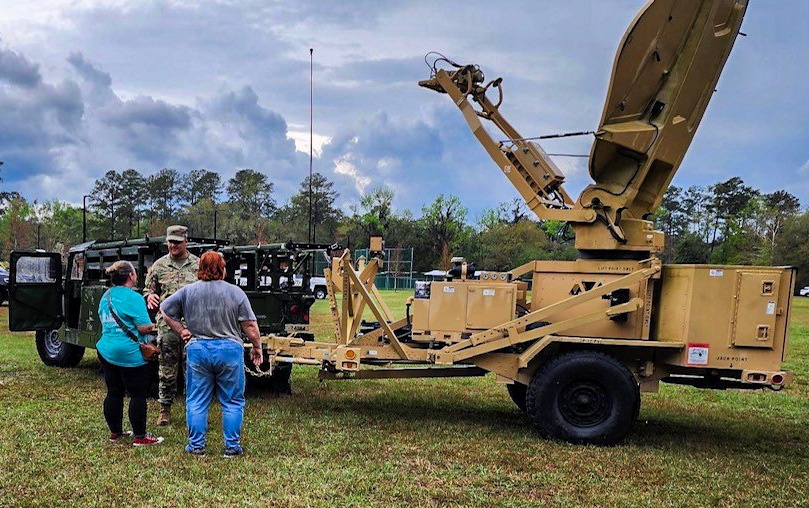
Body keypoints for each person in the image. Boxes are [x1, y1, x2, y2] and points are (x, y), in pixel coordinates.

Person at [160, 251, 263, 457]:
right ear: (222, 269)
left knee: (197, 400)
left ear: (200, 269)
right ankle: (232, 447)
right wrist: (257, 347)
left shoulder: (188, 291)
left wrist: (181, 330)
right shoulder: (235, 292)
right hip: (229, 351)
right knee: (232, 401)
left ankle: (196, 446)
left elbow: (165, 309)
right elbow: (250, 325)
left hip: (198, 349)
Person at [96, 261, 164, 446]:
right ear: (131, 276)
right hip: (129, 353)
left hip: (106, 349)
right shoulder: (134, 298)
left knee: (113, 392)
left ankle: (115, 432)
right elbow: (142, 328)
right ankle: (140, 436)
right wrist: (159, 325)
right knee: (137, 394)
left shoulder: (106, 296)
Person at [143, 225, 200, 426]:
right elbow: (148, 290)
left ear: (186, 242)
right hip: (168, 326)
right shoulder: (158, 266)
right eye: (170, 241)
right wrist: (150, 296)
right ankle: (164, 409)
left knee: (194, 369)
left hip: (193, 326)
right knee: (167, 368)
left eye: (177, 241)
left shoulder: (198, 265)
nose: (173, 245)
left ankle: (193, 411)